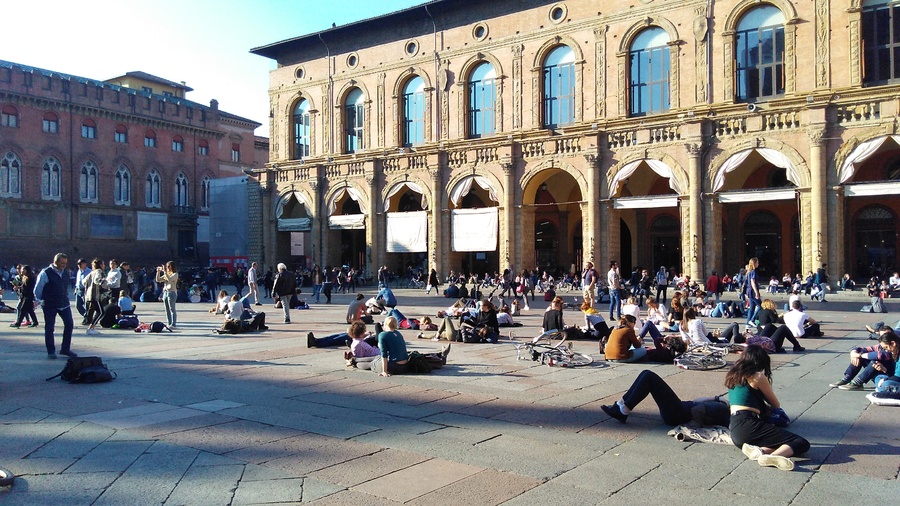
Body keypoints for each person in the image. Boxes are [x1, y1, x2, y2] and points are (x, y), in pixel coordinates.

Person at [726, 345, 810, 471]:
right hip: (749, 423)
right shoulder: (757, 376)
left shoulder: (733, 375)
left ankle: (760, 451)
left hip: (735, 429)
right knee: (801, 442)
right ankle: (772, 457)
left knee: (780, 442)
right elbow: (776, 404)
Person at [602, 370, 729, 425]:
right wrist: (716, 398)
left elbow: (697, 411)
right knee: (646, 373)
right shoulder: (723, 406)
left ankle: (623, 410)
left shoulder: (725, 412)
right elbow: (696, 401)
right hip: (680, 408)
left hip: (678, 414)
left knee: (649, 377)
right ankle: (622, 404)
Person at [373, 316, 450, 376]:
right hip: (405, 365)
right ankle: (441, 357)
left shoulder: (382, 335)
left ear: (385, 325)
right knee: (375, 359)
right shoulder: (398, 333)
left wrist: (384, 371)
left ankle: (360, 362)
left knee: (372, 362)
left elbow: (384, 355)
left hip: (394, 367)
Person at [33, 253, 77, 359]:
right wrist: (42, 300)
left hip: (64, 303)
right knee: (50, 327)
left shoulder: (65, 273)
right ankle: (51, 351)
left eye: (65, 263)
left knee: (69, 324)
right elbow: (37, 290)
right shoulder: (45, 273)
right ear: (55, 262)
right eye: (62, 263)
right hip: (50, 304)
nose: (64, 265)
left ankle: (65, 349)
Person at [829, 331, 899, 390]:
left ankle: (858, 382)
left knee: (875, 364)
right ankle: (847, 378)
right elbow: (861, 349)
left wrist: (859, 355)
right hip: (888, 373)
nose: (886, 350)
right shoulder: (884, 347)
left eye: (886, 347)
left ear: (893, 343)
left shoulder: (890, 353)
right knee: (862, 358)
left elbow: (879, 355)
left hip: (892, 376)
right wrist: (854, 353)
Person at [82, 259, 106, 336]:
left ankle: (91, 327)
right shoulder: (99, 271)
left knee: (93, 311)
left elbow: (83, 282)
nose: (104, 265)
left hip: (88, 296)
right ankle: (91, 328)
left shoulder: (91, 273)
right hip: (95, 295)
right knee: (101, 312)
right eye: (103, 264)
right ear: (101, 265)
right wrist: (103, 281)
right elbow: (97, 280)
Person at [156, 261, 179, 328]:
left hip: (172, 292)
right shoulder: (167, 274)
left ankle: (173, 324)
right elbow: (158, 280)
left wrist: (165, 272)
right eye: (166, 267)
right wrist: (158, 272)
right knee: (167, 309)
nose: (167, 268)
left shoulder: (175, 274)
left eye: (169, 266)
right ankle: (169, 323)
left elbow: (170, 280)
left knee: (172, 308)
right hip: (165, 292)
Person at [745, 257, 762, 332]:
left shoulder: (749, 272)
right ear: (754, 263)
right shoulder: (753, 272)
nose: (758, 263)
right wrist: (756, 292)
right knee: (760, 306)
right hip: (752, 291)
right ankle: (752, 319)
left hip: (749, 291)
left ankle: (747, 324)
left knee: (752, 308)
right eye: (757, 262)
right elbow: (753, 282)